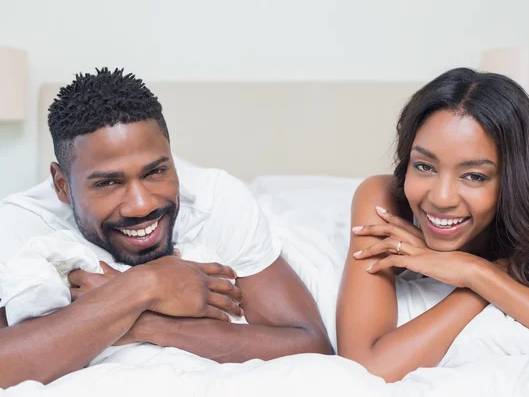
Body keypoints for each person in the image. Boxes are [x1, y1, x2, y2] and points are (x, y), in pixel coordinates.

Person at [0, 68, 331, 388]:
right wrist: (146, 285)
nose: (142, 205)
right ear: (61, 185)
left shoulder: (215, 200)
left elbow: (310, 343)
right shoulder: (22, 225)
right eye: (108, 183)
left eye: (155, 172)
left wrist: (145, 322)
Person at [336, 67, 529, 385]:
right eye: (424, 166)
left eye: (474, 175)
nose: (442, 198)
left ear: (515, 180)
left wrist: (476, 273)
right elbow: (367, 366)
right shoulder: (383, 201)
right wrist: (479, 286)